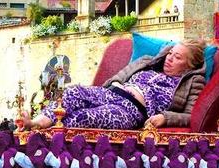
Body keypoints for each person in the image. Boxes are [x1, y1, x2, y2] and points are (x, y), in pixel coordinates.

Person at [23, 40, 206, 130]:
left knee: (82, 117)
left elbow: (191, 116)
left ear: (189, 65)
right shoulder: (147, 63)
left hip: (132, 111)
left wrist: (165, 118)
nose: (170, 59)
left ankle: (45, 134)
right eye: (170, 53)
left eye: (178, 57)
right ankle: (36, 123)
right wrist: (115, 83)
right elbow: (115, 79)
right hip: (113, 93)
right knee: (73, 92)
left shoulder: (193, 81)